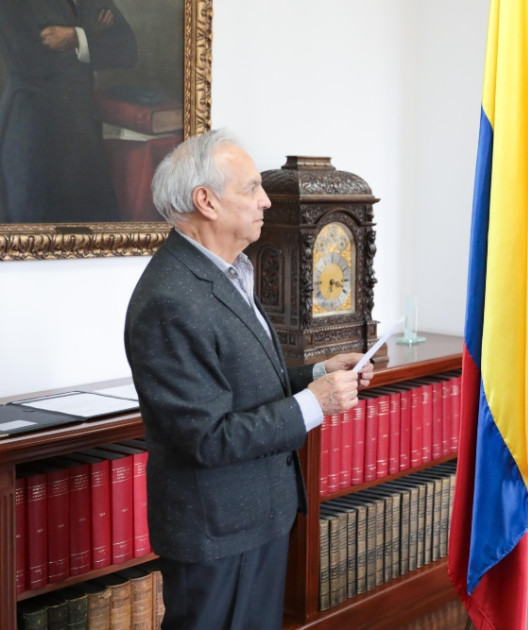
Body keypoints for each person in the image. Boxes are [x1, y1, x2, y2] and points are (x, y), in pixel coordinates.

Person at [124, 129, 374, 630]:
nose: (266, 201)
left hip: (255, 516)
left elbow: (244, 382)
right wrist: (314, 403)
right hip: (216, 530)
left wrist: (317, 372)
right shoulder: (172, 298)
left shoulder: (229, 271)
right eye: (253, 188)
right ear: (206, 201)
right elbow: (206, 438)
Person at [0, 0, 136, 223]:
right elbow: (26, 60)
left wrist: (78, 37)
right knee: (32, 231)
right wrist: (94, 35)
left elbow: (128, 50)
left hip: (82, 129)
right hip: (33, 130)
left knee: (92, 231)